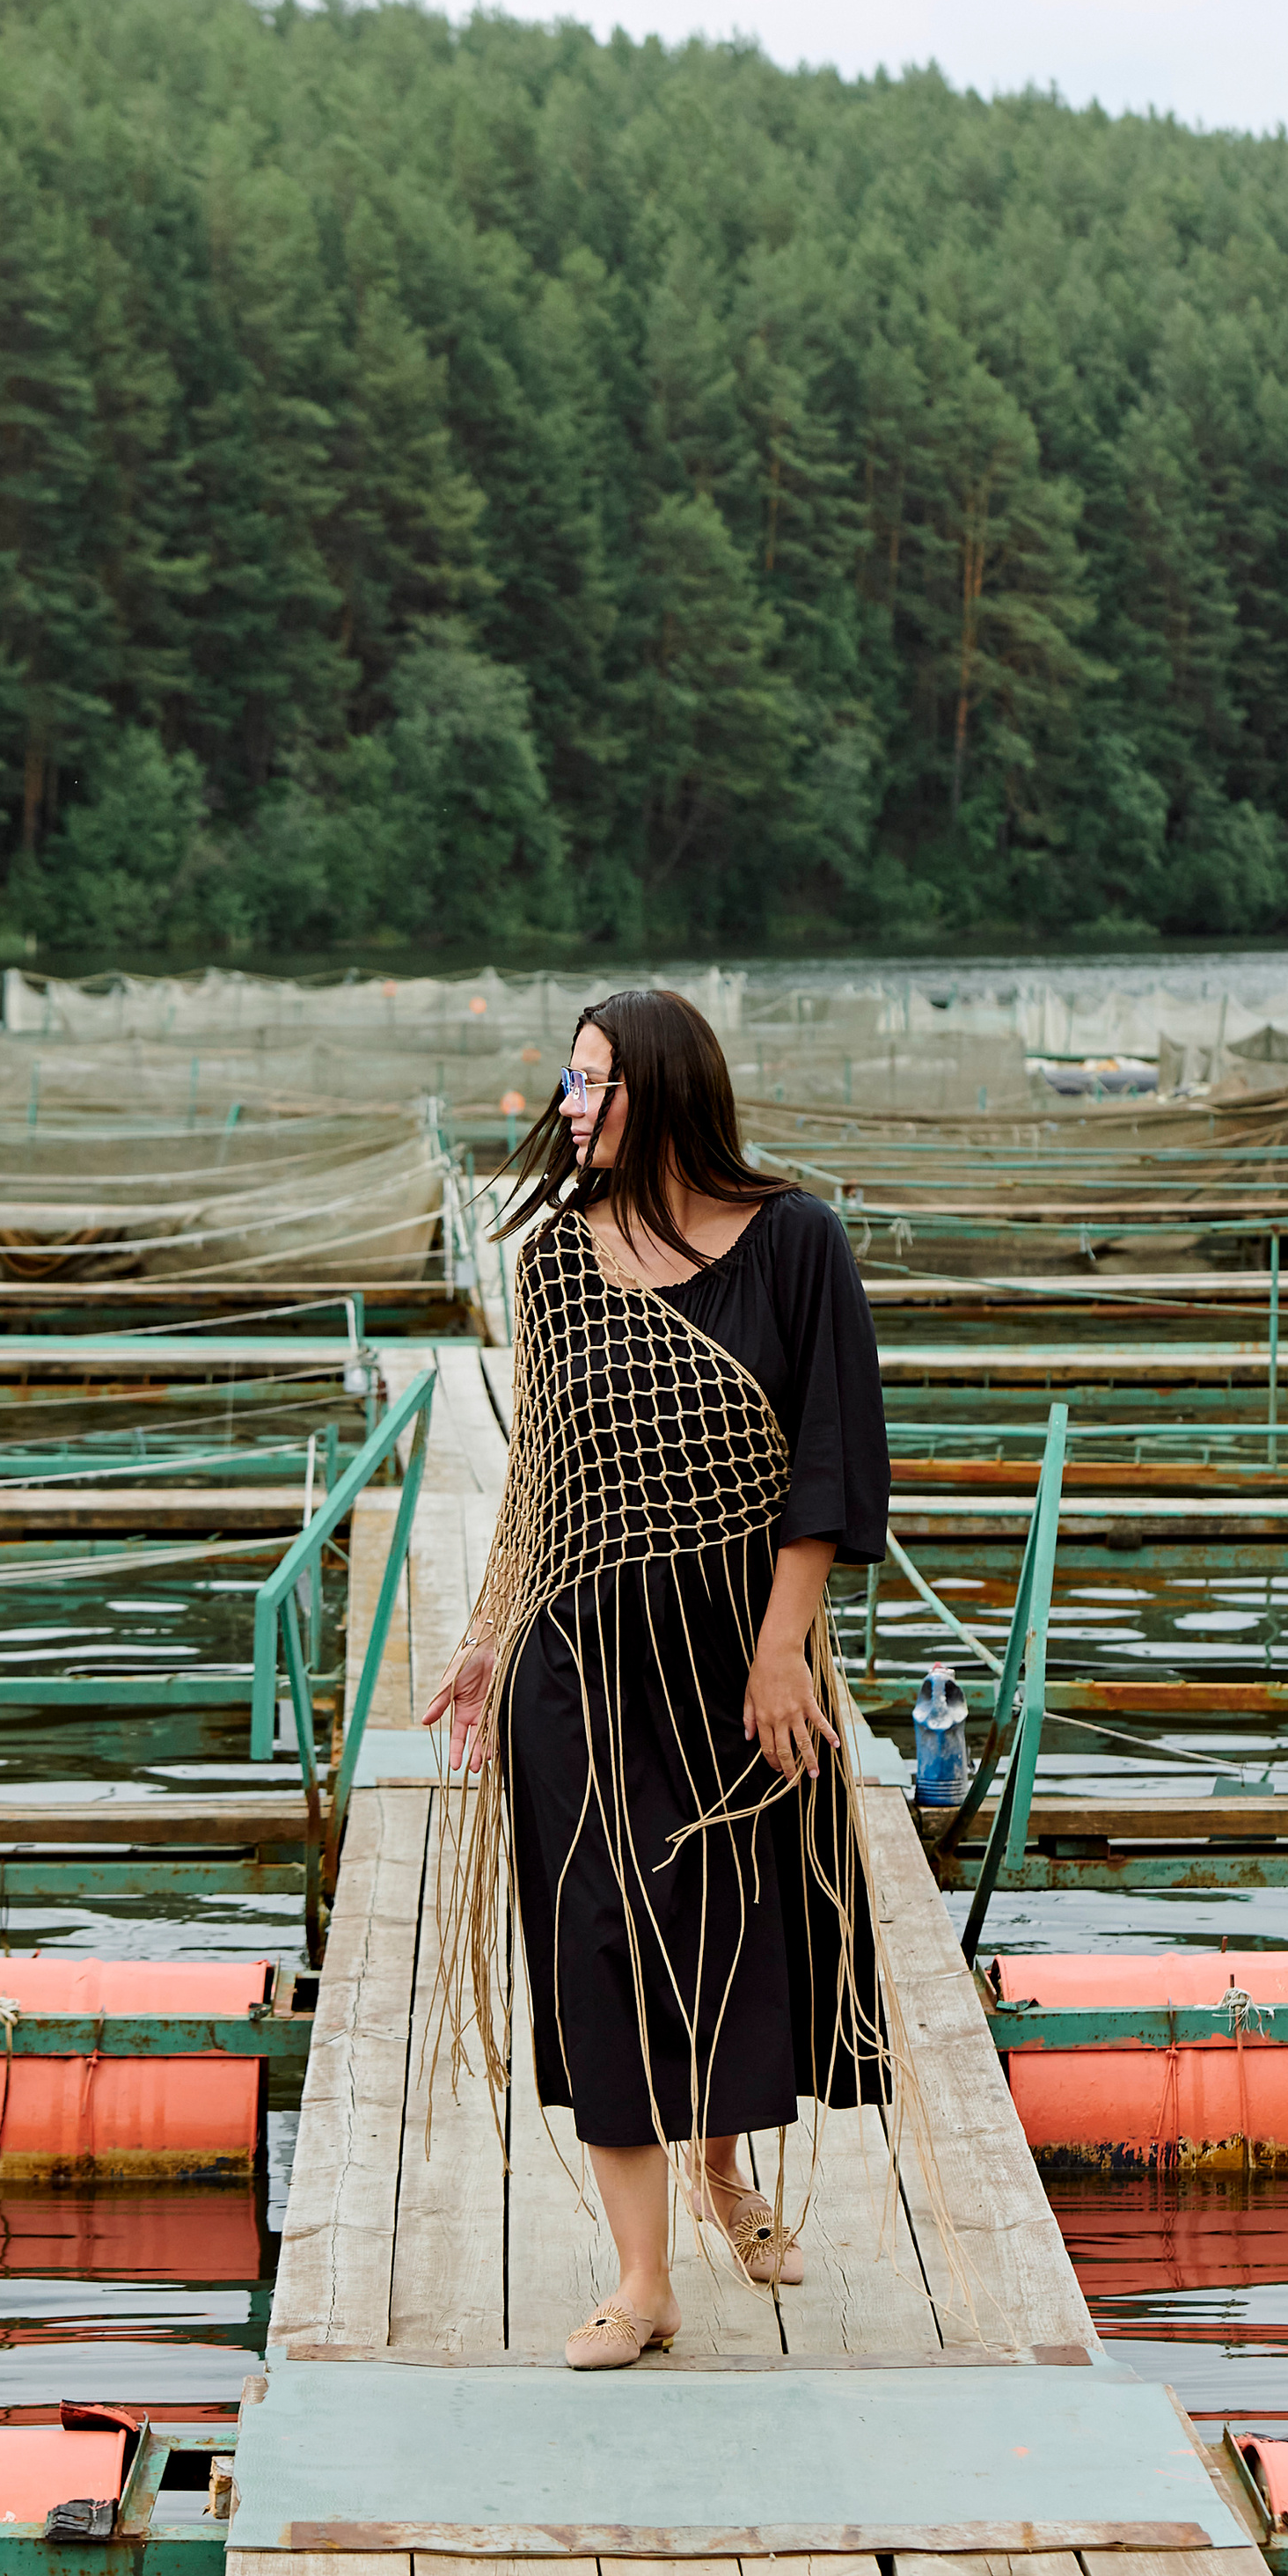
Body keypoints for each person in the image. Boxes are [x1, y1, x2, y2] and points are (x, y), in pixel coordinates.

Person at [421, 986, 899, 2369]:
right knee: (598, 1945)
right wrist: (489, 1633)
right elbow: (544, 1477)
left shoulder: (795, 1244)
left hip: (738, 1650)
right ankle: (645, 2283)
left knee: (731, 1928)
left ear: (671, 1092)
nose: (574, 1110)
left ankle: (725, 2175)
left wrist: (777, 1649)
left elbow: (832, 1453)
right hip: (580, 1653)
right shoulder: (557, 1260)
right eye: (567, 1084)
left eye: (598, 1085)